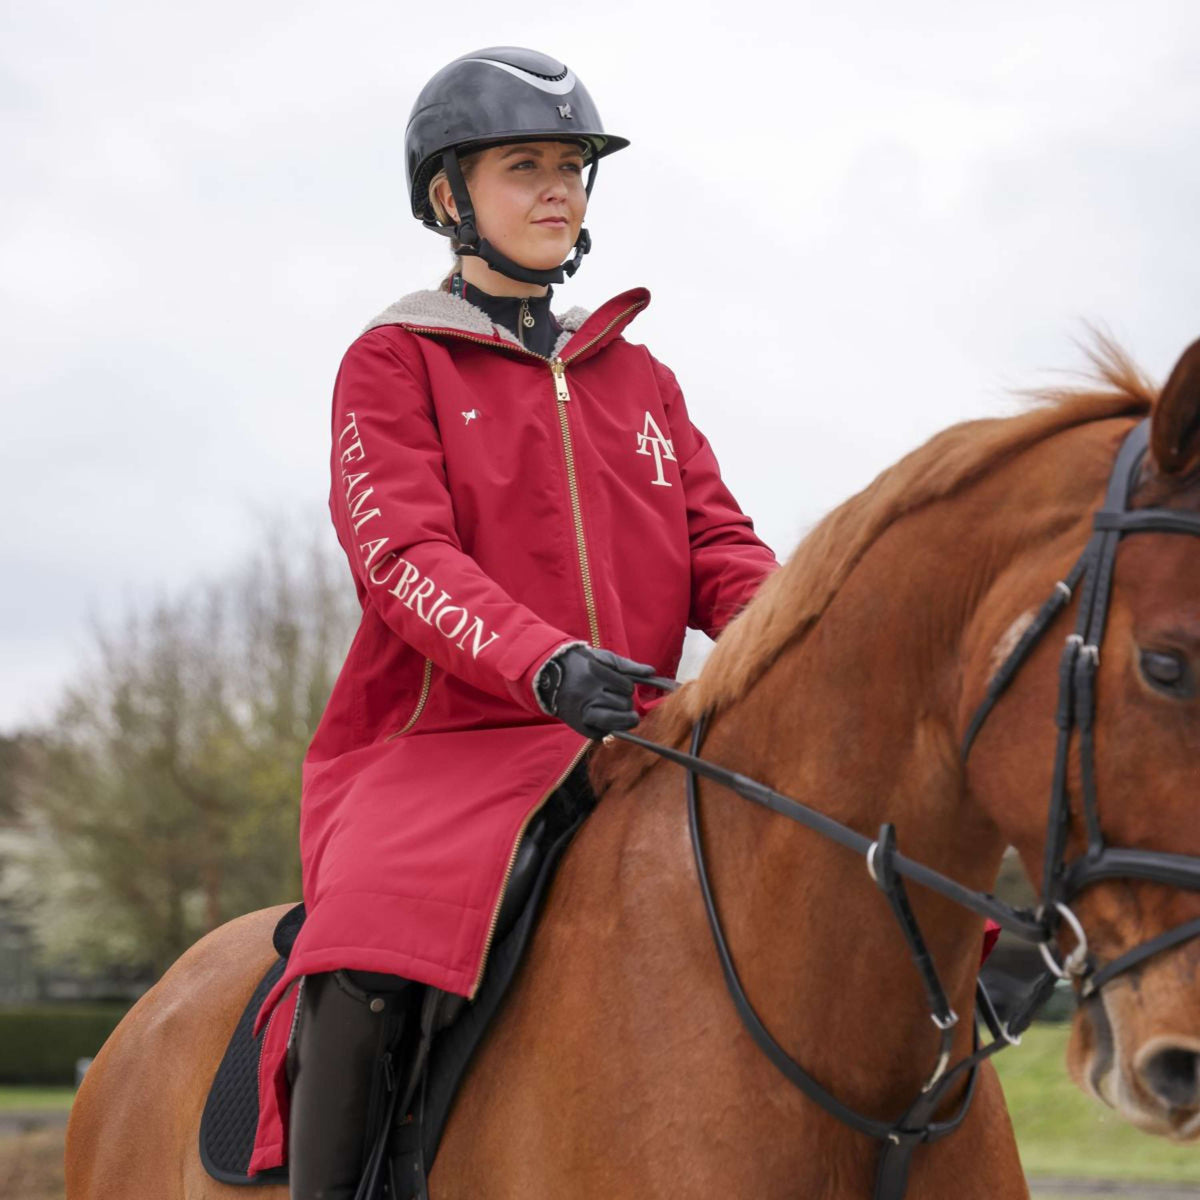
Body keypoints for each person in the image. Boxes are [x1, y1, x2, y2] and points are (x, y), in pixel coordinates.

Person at [246, 46, 780, 1199]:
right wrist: (542, 666)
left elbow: (721, 550)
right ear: (449, 198)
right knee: (367, 942)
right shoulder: (392, 361)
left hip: (635, 727)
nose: (557, 191)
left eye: (573, 169)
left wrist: (792, 641)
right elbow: (399, 553)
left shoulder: (641, 379)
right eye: (524, 166)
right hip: (445, 743)